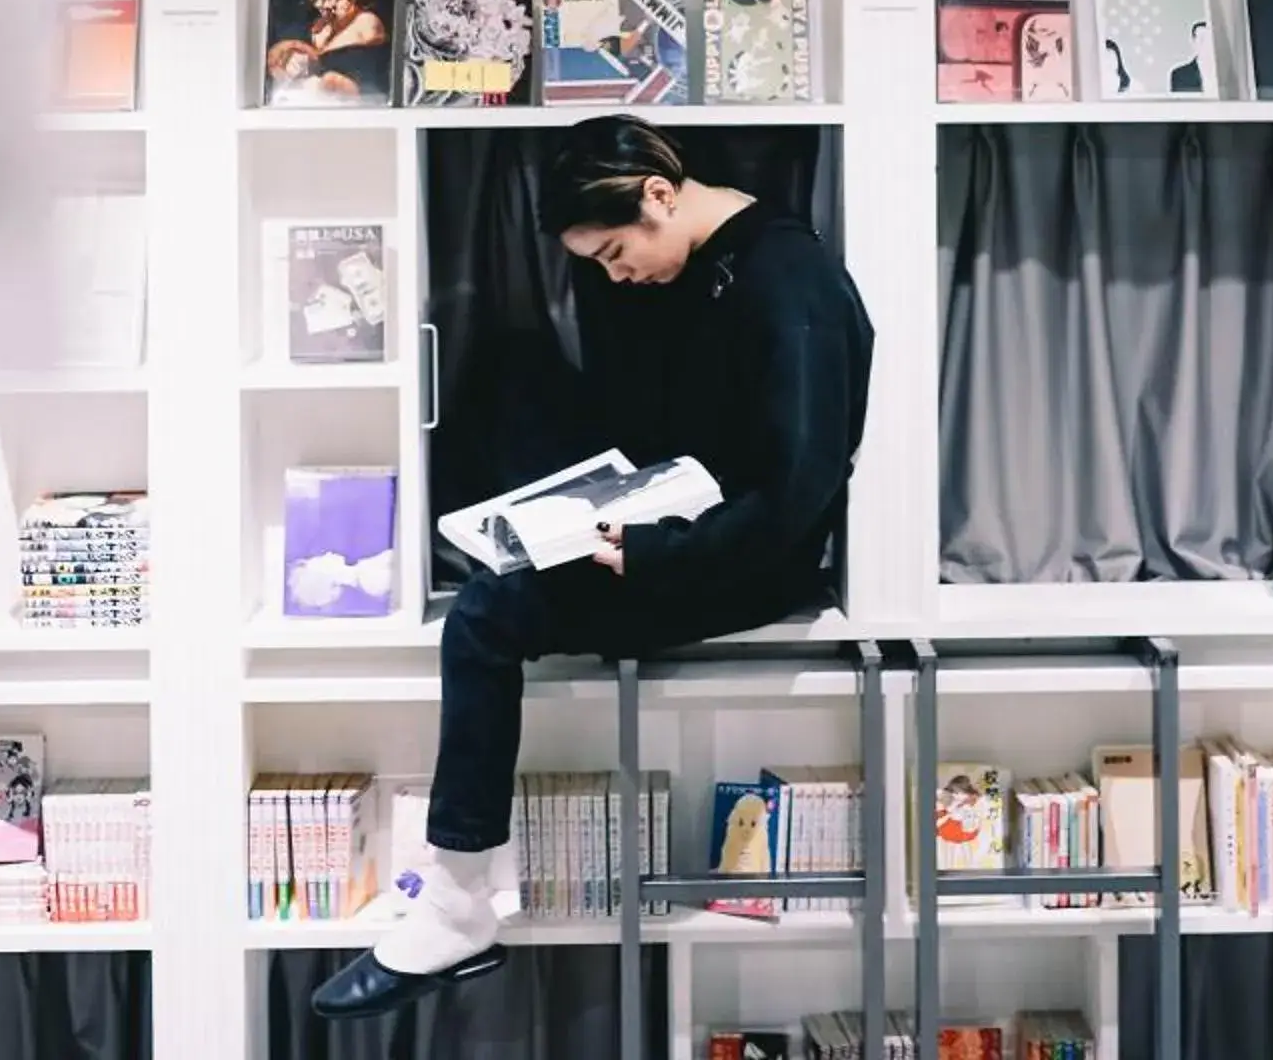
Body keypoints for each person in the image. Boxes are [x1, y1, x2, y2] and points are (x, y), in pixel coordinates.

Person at [313, 115, 874, 1019]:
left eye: (615, 251)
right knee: (507, 511)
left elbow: (796, 492)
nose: (615, 275)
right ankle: (454, 894)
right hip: (677, 531)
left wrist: (646, 547)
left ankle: (455, 902)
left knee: (487, 619)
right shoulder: (698, 269)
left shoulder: (787, 278)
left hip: (743, 558)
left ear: (660, 193)